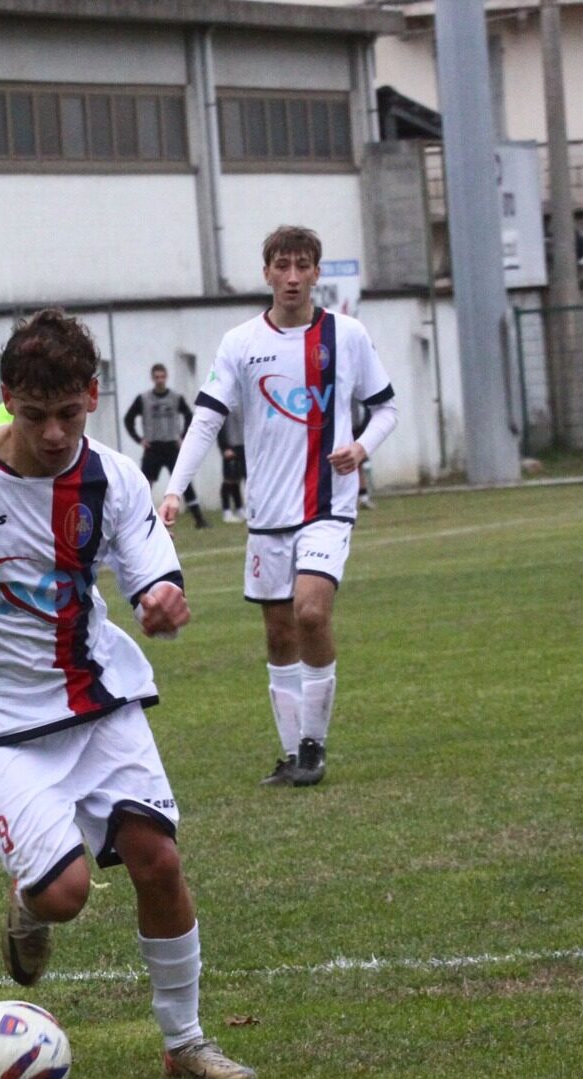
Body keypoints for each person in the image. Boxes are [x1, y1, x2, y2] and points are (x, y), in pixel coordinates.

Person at [0, 308, 256, 1079]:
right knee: (64, 895)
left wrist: (164, 597)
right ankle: (31, 901)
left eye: (68, 414)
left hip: (95, 698)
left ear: (92, 396)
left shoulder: (112, 477)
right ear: (4, 399)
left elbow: (147, 567)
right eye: (35, 416)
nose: (54, 434)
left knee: (157, 858)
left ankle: (185, 1041)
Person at [162, 225, 399, 788]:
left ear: (317, 272)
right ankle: (291, 752)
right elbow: (207, 419)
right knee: (277, 633)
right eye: (282, 266)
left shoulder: (348, 335)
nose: (292, 277)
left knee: (311, 613)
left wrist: (361, 447)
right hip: (267, 514)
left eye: (303, 266)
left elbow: (386, 408)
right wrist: (175, 487)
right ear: (266, 272)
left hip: (327, 504)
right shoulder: (241, 342)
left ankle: (314, 746)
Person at [126, 363, 207, 529]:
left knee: (184, 482)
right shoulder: (144, 399)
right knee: (144, 485)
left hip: (171, 446)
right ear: (152, 378)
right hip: (153, 447)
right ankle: (137, 521)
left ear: (166, 377)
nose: (160, 380)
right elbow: (128, 419)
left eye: (162, 377)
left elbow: (189, 415)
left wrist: (183, 436)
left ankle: (199, 519)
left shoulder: (176, 398)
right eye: (156, 377)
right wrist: (139, 439)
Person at [216, 407, 246, 523]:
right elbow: (219, 427)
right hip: (230, 446)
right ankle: (226, 510)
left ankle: (239, 508)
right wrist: (224, 447)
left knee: (238, 478)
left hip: (243, 443)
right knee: (229, 480)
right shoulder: (225, 404)